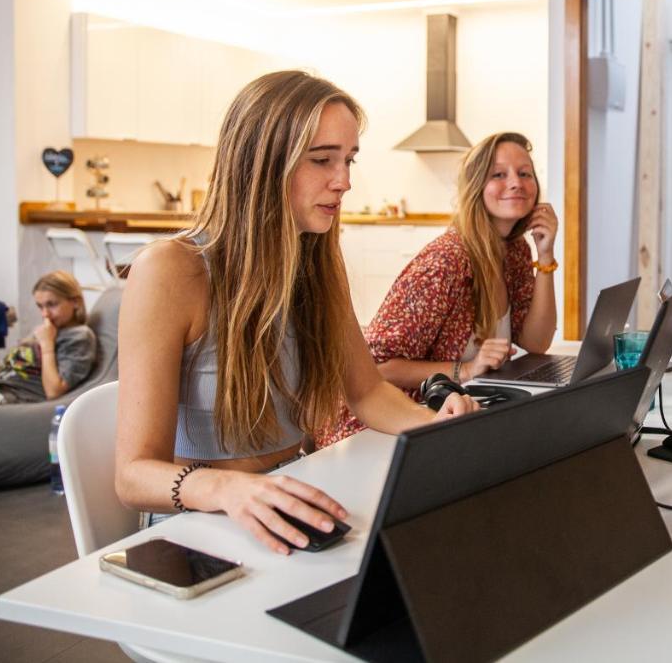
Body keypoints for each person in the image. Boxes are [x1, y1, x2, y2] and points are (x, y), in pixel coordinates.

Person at [116, 71, 479, 555]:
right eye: (323, 160)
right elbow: (133, 474)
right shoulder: (170, 270)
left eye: (348, 160)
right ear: (261, 163)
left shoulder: (316, 264)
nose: (344, 181)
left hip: (293, 501)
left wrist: (434, 425)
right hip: (199, 528)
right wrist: (225, 488)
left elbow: (368, 391)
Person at [319, 131, 557, 446]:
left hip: (453, 418)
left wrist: (546, 256)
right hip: (385, 430)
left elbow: (536, 342)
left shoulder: (514, 253)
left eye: (525, 173)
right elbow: (378, 368)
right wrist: (467, 369)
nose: (516, 182)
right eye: (499, 174)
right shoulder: (446, 262)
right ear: (476, 188)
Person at [0, 271, 96, 407]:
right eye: (40, 306)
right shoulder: (49, 330)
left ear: (75, 302)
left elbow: (54, 391)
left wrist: (47, 345)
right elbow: (21, 368)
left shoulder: (79, 336)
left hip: (17, 395)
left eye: (52, 304)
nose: (45, 314)